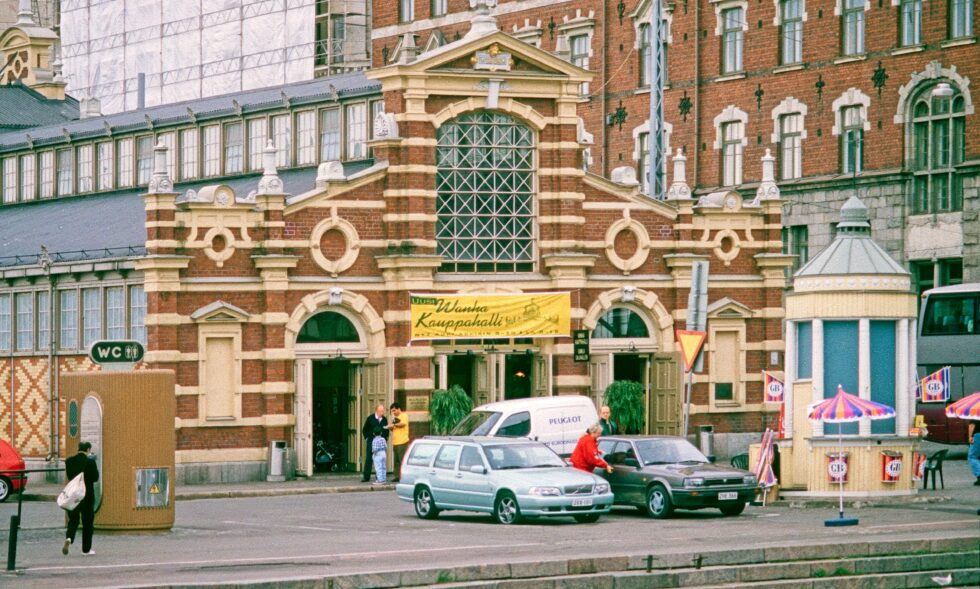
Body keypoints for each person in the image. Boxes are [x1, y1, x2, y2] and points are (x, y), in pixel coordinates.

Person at [63, 441, 99, 556]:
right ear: (88, 450)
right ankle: (86, 550)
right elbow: (95, 478)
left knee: (73, 519)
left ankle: (69, 538)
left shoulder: (69, 461)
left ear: (78, 449)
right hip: (87, 495)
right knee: (87, 523)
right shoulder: (90, 462)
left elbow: (69, 477)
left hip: (74, 496)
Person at [361, 404, 388, 482]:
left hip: (381, 442)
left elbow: (386, 430)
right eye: (380, 411)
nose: (382, 413)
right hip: (371, 441)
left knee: (380, 460)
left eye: (383, 411)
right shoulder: (370, 418)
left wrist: (385, 439)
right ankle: (366, 476)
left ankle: (379, 477)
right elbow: (365, 429)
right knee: (369, 458)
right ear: (376, 411)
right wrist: (367, 438)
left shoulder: (384, 419)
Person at [386, 402, 410, 482]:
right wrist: (390, 427)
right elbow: (393, 428)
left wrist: (394, 425)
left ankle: (403, 476)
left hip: (402, 442)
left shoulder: (404, 415)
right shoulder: (394, 418)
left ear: (399, 409)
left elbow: (402, 424)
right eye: (392, 411)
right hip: (395, 442)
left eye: (394, 410)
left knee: (401, 460)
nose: (393, 412)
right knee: (396, 461)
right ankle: (397, 476)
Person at [968, 422, 980, 486]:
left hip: (978, 435)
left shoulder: (975, 413)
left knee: (973, 457)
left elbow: (972, 425)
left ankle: (979, 475)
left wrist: (970, 437)